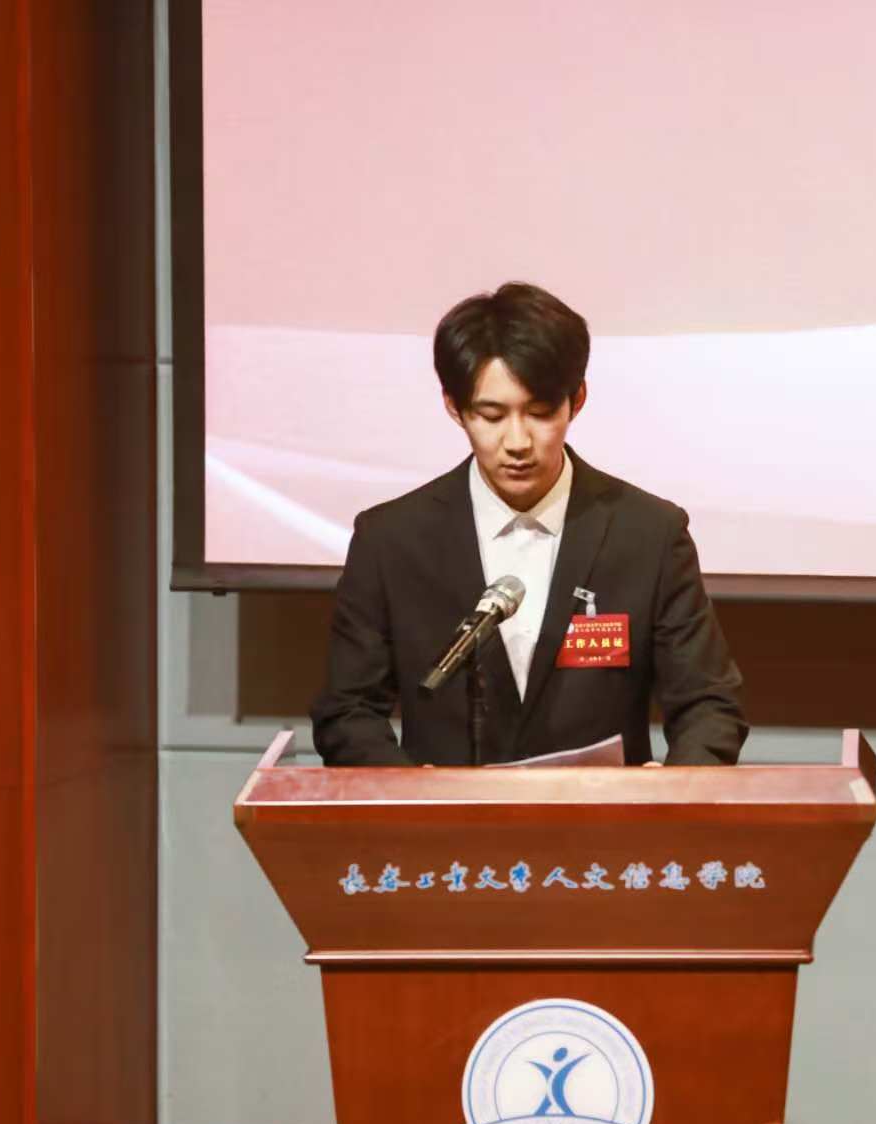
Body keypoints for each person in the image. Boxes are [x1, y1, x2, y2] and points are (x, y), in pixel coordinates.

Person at [310, 282, 747, 767]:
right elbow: (346, 712)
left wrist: (671, 792)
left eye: (539, 413)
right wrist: (408, 793)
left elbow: (710, 705)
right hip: (444, 816)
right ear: (454, 407)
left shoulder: (649, 534)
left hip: (602, 814)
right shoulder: (391, 540)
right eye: (491, 416)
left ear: (576, 400)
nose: (517, 442)